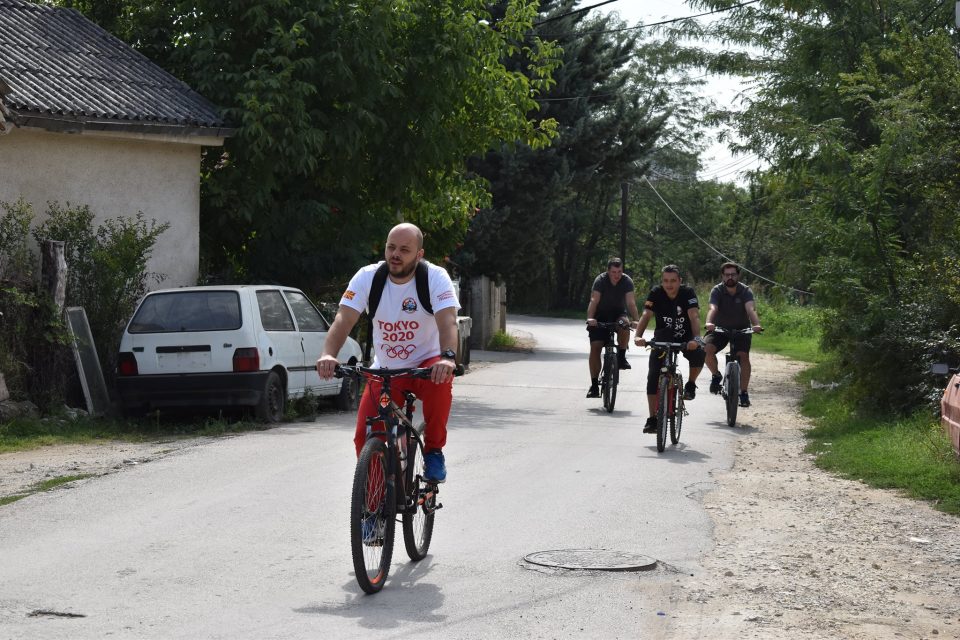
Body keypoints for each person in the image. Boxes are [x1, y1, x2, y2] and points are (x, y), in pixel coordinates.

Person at [316, 223, 459, 483]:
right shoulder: (368, 277)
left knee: (441, 383)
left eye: (404, 249)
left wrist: (447, 357)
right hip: (386, 369)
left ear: (419, 254)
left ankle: (434, 450)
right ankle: (374, 504)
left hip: (426, 365)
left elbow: (448, 321)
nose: (395, 254)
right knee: (365, 436)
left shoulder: (435, 278)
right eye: (391, 247)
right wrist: (328, 354)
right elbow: (343, 319)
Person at [633, 265, 705, 433]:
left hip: (686, 336)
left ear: (680, 281)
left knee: (699, 354)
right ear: (662, 281)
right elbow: (646, 315)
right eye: (665, 281)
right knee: (653, 375)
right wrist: (638, 336)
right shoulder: (656, 293)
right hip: (663, 336)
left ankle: (691, 384)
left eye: (673, 281)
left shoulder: (688, 293)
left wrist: (696, 338)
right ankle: (652, 419)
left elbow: (694, 316)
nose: (669, 284)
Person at [703, 262, 763, 407]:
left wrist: (756, 325)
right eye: (727, 274)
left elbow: (750, 309)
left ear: (738, 275)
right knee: (705, 349)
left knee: (743, 356)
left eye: (733, 274)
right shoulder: (717, 290)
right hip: (719, 330)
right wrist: (709, 322)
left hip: (741, 330)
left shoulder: (745, 290)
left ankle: (743, 393)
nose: (730, 277)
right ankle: (716, 375)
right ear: (722, 276)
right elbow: (713, 307)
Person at [585, 257, 641, 398]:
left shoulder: (627, 281)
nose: (617, 275)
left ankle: (621, 357)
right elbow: (594, 300)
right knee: (595, 347)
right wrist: (590, 318)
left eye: (619, 271)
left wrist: (636, 320)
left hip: (618, 314)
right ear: (608, 271)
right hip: (600, 316)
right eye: (614, 272)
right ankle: (594, 386)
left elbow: (631, 302)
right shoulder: (600, 280)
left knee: (624, 324)